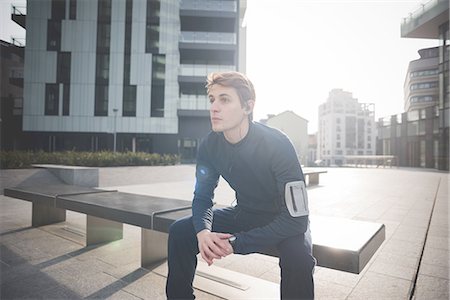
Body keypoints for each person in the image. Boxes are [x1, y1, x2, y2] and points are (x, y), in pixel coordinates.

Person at [166, 71, 315, 300]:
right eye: (212, 99)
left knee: (298, 258)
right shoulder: (209, 145)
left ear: (247, 106)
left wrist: (236, 244)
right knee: (180, 231)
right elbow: (203, 197)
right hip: (245, 213)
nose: (214, 107)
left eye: (224, 99)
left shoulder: (277, 144)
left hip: (285, 219)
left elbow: (297, 219)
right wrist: (203, 231)